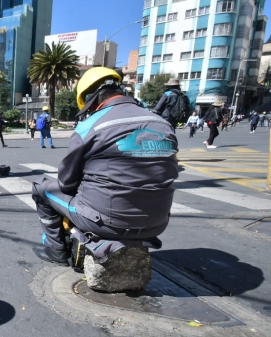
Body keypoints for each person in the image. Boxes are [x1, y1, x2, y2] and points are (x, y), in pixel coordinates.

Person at [30, 67, 178, 263]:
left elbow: (66, 183)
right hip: (157, 223)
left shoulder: (91, 126)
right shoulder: (162, 123)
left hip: (105, 222)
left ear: (92, 98)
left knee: (41, 190)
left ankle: (56, 250)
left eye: (89, 108)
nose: (89, 112)